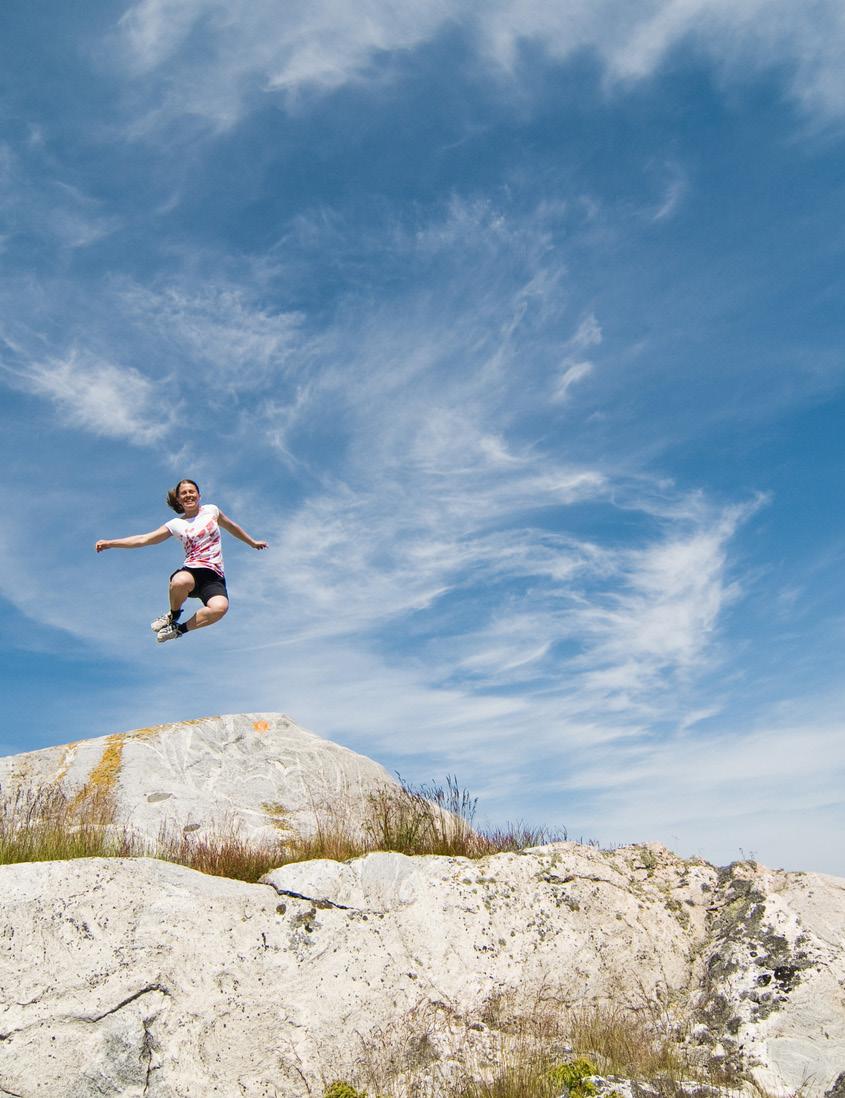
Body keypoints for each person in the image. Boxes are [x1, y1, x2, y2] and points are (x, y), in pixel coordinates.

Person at [95, 479, 268, 644]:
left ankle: (177, 630)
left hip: (214, 576)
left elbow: (231, 526)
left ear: (199, 495)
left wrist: (252, 542)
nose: (188, 495)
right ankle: (173, 614)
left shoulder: (211, 511)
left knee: (220, 608)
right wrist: (110, 543)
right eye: (184, 493)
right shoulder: (176, 524)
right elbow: (143, 539)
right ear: (179, 499)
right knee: (179, 582)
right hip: (192, 571)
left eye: (192, 492)